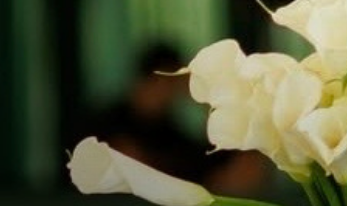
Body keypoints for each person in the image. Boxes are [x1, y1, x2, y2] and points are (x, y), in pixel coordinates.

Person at [71, 40, 269, 196]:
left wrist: (207, 100)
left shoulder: (172, 135)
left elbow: (222, 174)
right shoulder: (107, 124)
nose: (170, 93)